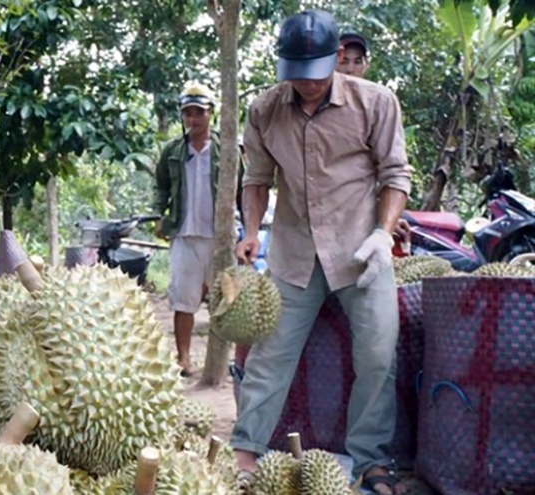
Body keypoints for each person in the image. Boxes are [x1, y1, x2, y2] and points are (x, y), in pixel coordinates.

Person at [231, 9, 412, 495]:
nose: (307, 86)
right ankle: (245, 452)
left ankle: (371, 460)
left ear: (337, 59)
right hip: (294, 251)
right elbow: (257, 180)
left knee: (377, 354)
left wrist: (382, 233)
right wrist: (251, 231)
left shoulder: (375, 103)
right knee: (269, 356)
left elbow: (396, 176)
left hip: (361, 251)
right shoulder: (265, 110)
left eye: (316, 75)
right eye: (297, 75)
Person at [153, 82, 241, 377]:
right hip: (185, 234)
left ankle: (224, 360)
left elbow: (243, 188)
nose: (193, 119)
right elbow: (161, 186)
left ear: (211, 114)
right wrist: (158, 216)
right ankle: (184, 358)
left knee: (228, 299)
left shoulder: (227, 150)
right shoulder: (173, 151)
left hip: (221, 236)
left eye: (199, 113)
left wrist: (244, 228)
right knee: (183, 299)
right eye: (188, 113)